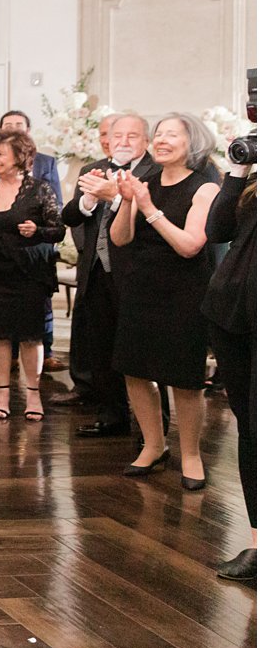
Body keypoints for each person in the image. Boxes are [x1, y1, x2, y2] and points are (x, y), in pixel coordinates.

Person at [110, 112, 219, 489]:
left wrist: (149, 207)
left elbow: (190, 246)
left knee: (184, 379)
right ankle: (154, 445)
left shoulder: (205, 188)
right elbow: (121, 239)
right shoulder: (145, 182)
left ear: (193, 143)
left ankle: (190, 454)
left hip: (184, 292)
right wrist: (128, 202)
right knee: (135, 370)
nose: (162, 140)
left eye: (172, 134)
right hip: (141, 287)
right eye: (158, 134)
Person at [62, 114, 159, 438]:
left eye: (133, 136)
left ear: (146, 141)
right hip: (96, 271)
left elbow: (151, 221)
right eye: (118, 136)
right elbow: (69, 215)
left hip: (136, 273)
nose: (124, 141)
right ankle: (113, 415)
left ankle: (153, 431)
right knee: (101, 349)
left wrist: (114, 197)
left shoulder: (156, 172)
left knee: (141, 354)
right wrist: (89, 199)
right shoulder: (94, 169)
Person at [0, 128, 65, 422]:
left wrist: (37, 231)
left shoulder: (39, 189)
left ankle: (33, 393)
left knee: (32, 335)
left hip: (30, 270)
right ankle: (3, 392)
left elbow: (58, 229)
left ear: (20, 157)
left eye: (0, 154)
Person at [204, 148, 255, 582]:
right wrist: (237, 172)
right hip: (233, 318)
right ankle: (257, 543)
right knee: (251, 431)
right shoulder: (250, 182)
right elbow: (216, 229)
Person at [51, 112, 119, 407]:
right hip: (91, 259)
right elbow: (73, 215)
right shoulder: (93, 169)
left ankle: (121, 397)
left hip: (124, 265)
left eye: (114, 135)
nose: (107, 141)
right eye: (103, 135)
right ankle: (85, 385)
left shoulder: (149, 172)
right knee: (86, 323)